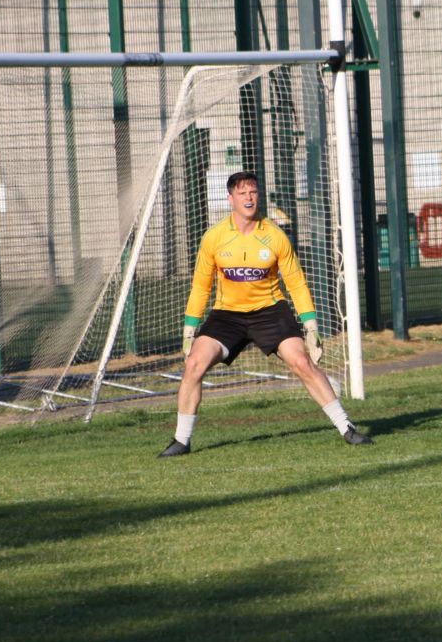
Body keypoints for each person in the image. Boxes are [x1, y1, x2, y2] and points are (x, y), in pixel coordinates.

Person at [157, 171, 371, 457]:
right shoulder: (214, 238)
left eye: (253, 192)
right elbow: (200, 286)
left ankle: (347, 428)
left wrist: (310, 326)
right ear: (230, 198)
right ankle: (181, 441)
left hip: (270, 312)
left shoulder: (274, 235)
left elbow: (295, 281)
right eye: (242, 192)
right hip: (227, 315)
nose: (249, 197)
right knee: (194, 364)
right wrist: (189, 329)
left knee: (301, 362)